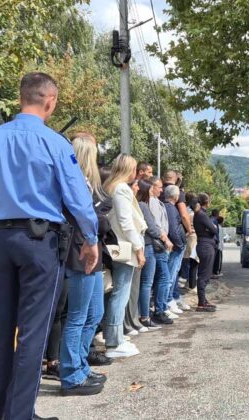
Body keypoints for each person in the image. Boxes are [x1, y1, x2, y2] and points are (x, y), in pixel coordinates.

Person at [0, 73, 99, 420]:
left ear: (22, 98)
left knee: (1, 327)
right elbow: (78, 200)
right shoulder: (55, 143)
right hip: (39, 242)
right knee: (33, 331)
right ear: (50, 100)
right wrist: (90, 239)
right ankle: (20, 415)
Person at [58, 134, 109, 397]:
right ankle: (70, 373)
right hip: (81, 251)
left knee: (93, 313)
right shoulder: (76, 181)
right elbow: (86, 219)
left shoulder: (86, 183)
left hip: (90, 250)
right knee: (78, 315)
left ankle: (80, 364)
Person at [102, 154, 145, 359]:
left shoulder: (115, 187)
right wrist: (138, 248)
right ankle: (114, 340)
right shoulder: (121, 189)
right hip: (124, 246)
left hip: (121, 244)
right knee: (121, 292)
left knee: (120, 291)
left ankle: (115, 335)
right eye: (135, 168)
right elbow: (126, 223)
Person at [136, 178, 167, 330]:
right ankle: (145, 316)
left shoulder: (138, 204)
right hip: (148, 245)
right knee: (147, 283)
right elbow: (152, 227)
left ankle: (143, 314)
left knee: (145, 283)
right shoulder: (143, 205)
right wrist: (163, 238)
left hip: (144, 245)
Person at [160, 185, 187, 323]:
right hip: (175, 247)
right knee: (170, 276)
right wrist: (180, 244)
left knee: (171, 275)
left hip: (175, 246)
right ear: (175, 196)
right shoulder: (170, 208)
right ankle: (167, 302)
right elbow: (173, 228)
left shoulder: (168, 207)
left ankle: (168, 302)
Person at [194, 193, 218, 312]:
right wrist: (213, 227)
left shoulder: (200, 214)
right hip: (206, 245)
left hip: (205, 244)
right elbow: (214, 229)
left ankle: (203, 300)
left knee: (205, 274)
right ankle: (201, 303)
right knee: (204, 274)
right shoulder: (202, 215)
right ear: (207, 202)